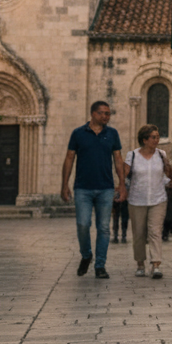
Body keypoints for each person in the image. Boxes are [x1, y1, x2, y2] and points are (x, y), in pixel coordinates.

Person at [61, 101, 127, 279]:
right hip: (82, 188)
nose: (105, 116)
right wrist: (64, 184)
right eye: (102, 113)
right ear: (92, 114)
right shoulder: (78, 133)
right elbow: (69, 159)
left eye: (108, 113)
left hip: (105, 188)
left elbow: (118, 159)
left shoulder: (112, 134)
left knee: (104, 228)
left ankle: (100, 265)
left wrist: (122, 184)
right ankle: (86, 255)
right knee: (83, 225)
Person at [121, 124, 172, 279]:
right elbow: (124, 175)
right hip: (137, 199)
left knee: (155, 232)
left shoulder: (161, 154)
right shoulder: (133, 156)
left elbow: (168, 173)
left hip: (158, 198)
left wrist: (168, 171)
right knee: (139, 234)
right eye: (153, 137)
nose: (156, 140)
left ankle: (156, 264)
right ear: (144, 139)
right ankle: (140, 264)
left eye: (157, 137)